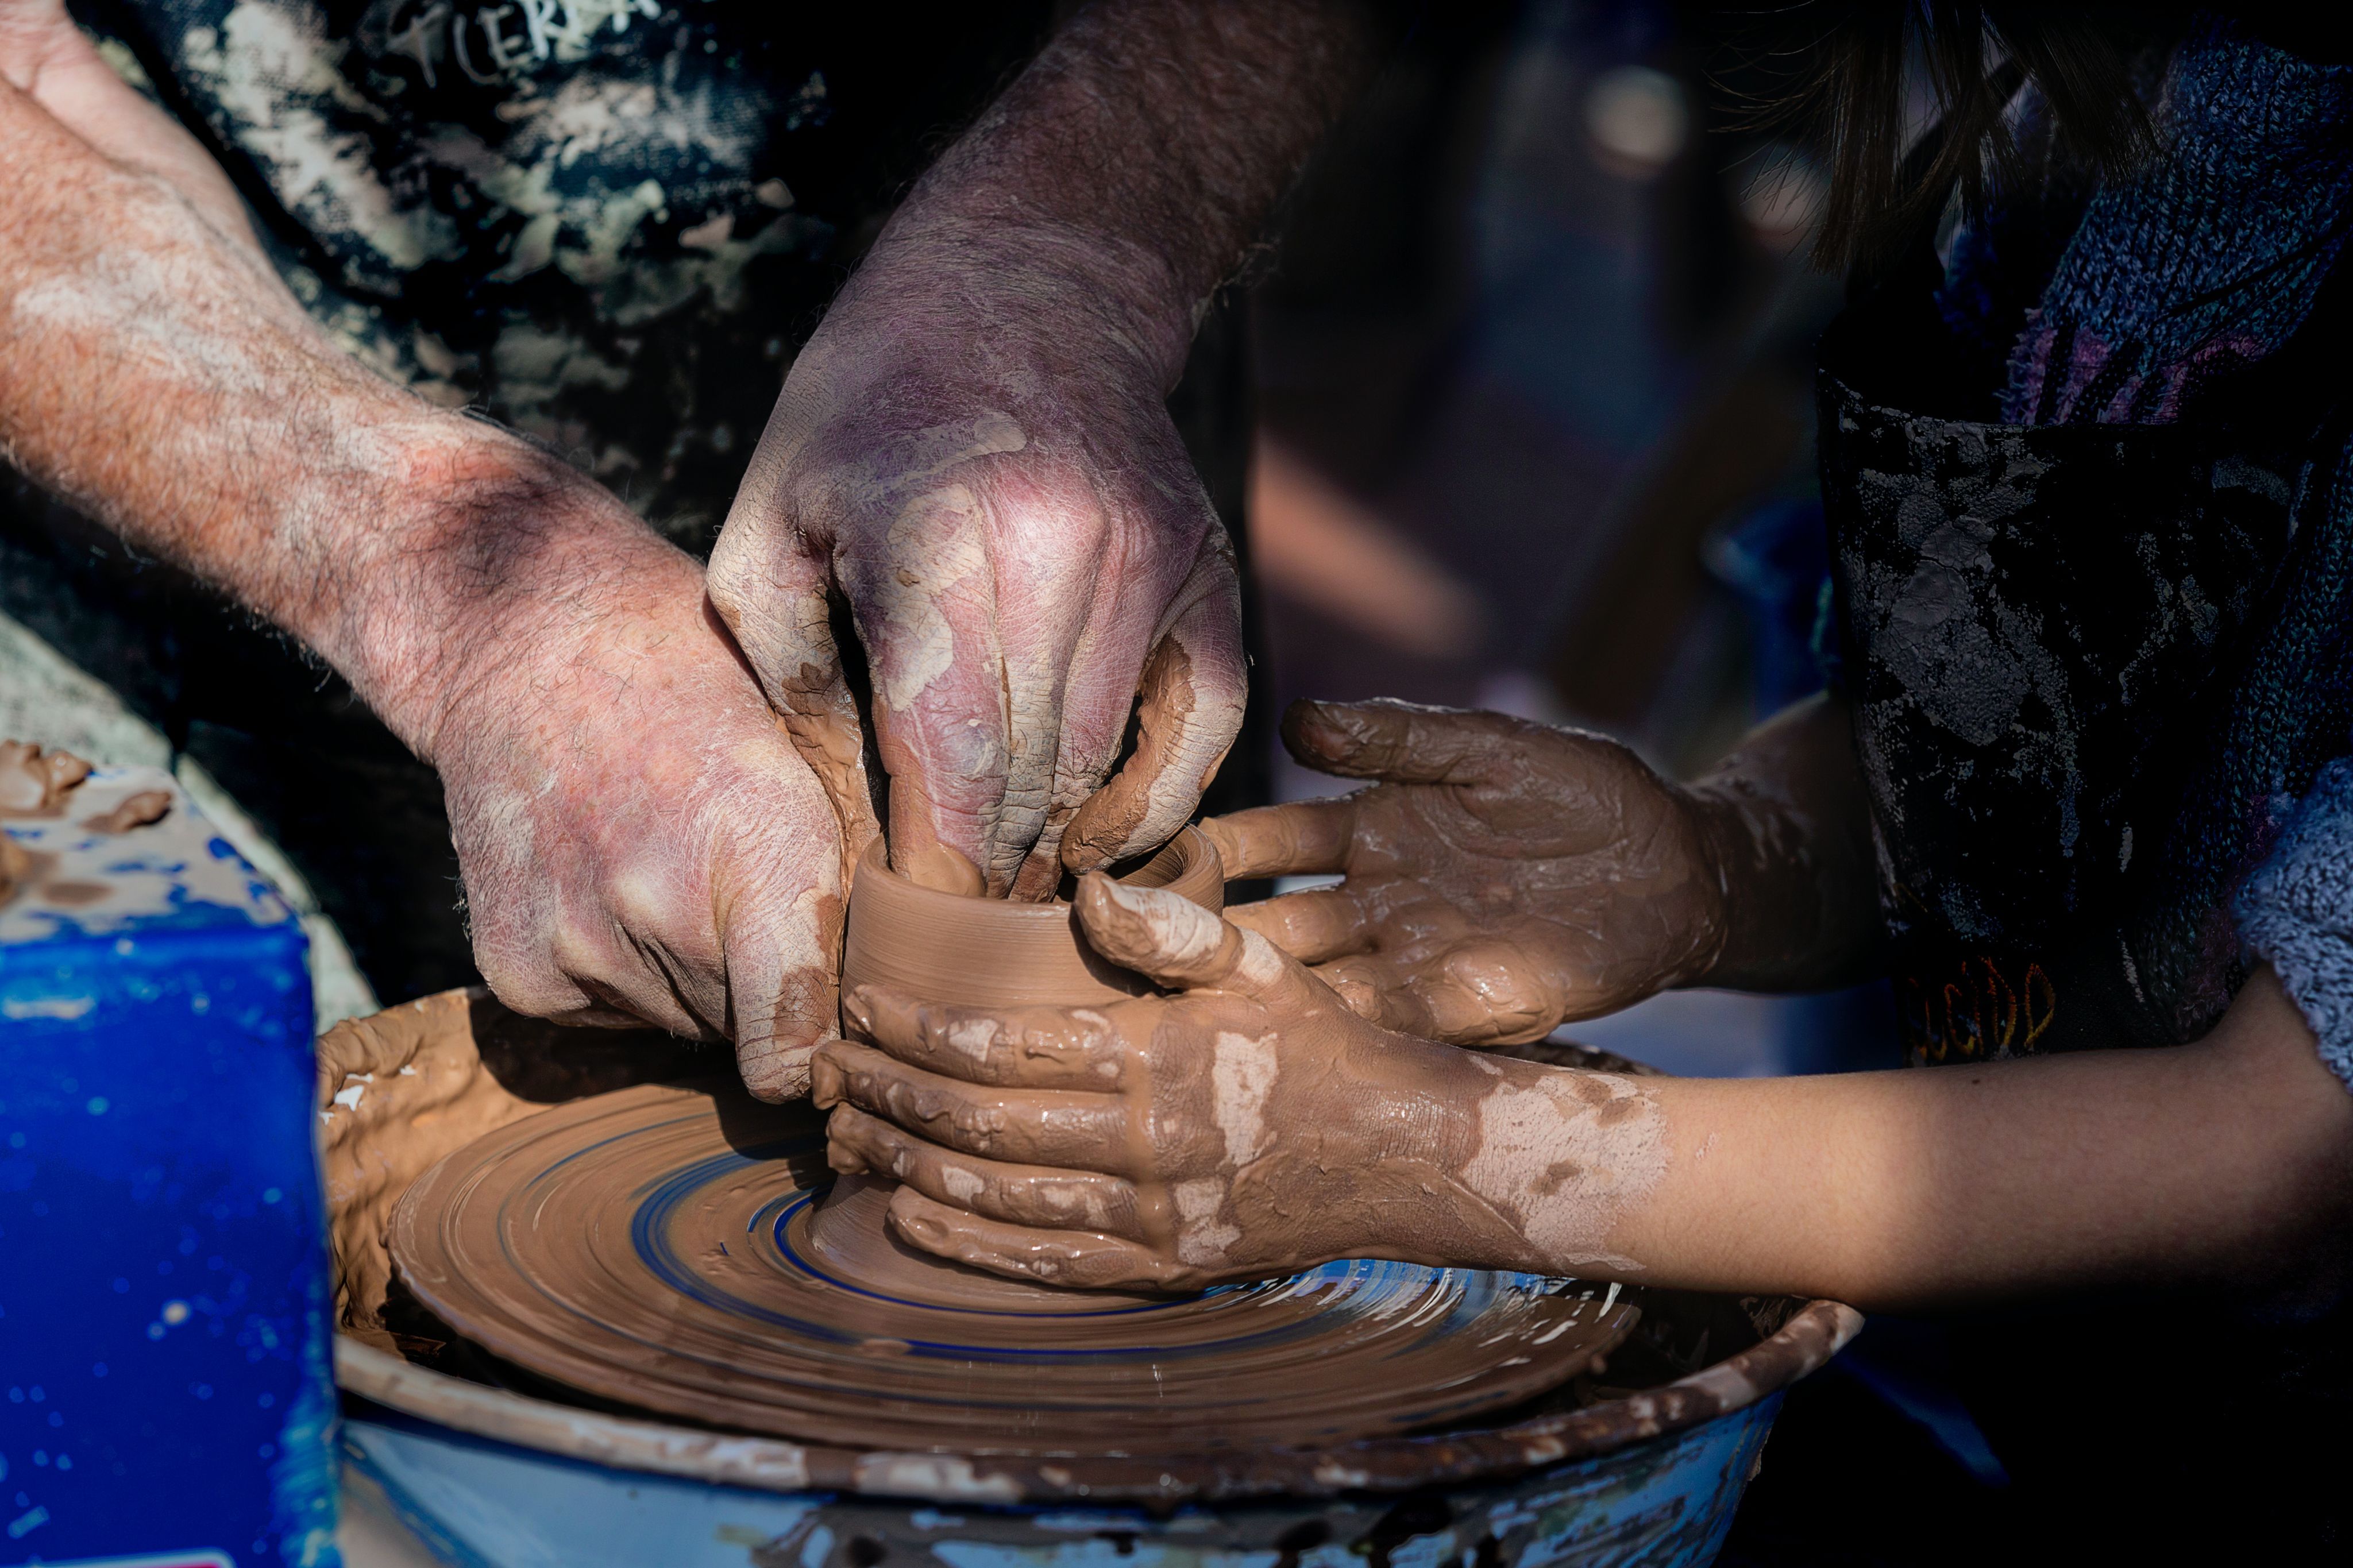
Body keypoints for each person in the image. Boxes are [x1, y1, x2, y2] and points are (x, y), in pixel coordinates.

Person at [812, 5, 2353, 1551]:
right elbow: (2044, 728)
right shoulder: (2165, 106)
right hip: (2049, 1368)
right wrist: (1724, 860)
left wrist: (1420, 1150)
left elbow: (2283, 1147)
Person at [0, 1, 1387, 1095]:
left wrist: (1070, 254)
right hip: (212, 419)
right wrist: (444, 589)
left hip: (1028, 377)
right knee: (209, 1237)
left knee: (1137, 1077)